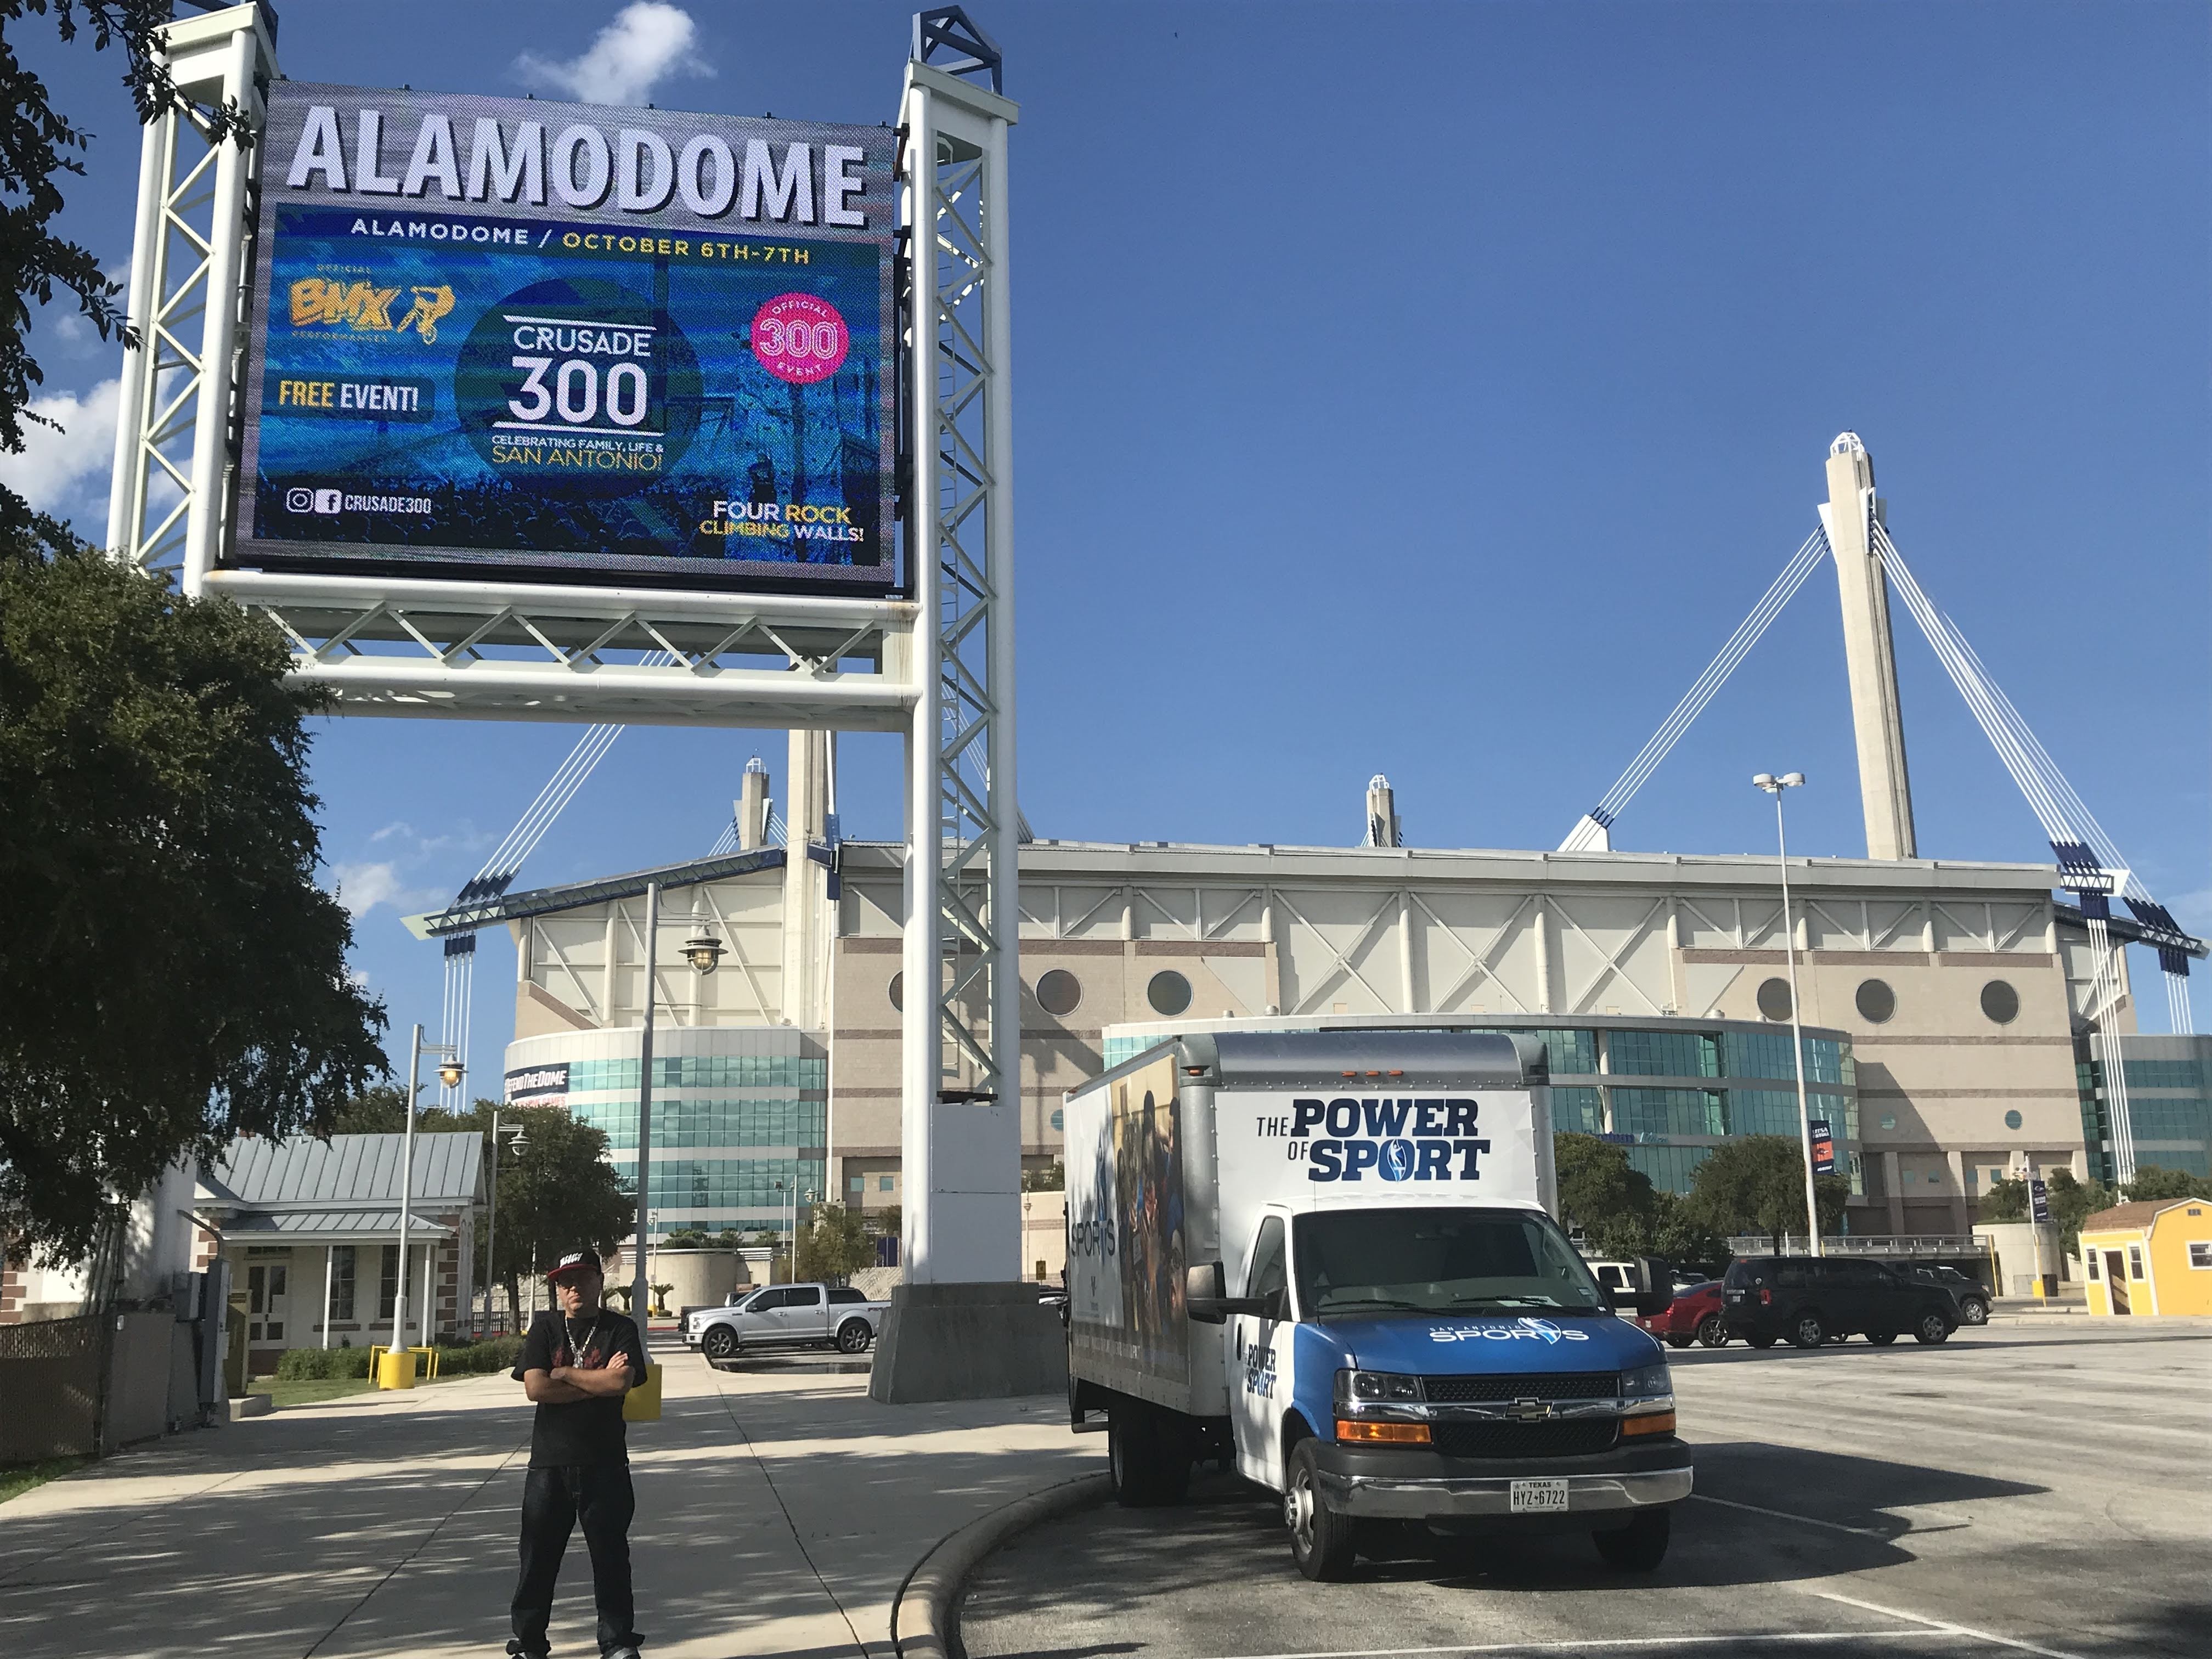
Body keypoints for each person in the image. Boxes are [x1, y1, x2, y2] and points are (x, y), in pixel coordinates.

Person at [509, 1249, 650, 1659]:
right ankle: (529, 1643)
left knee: (610, 1560)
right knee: (537, 1561)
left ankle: (617, 1642)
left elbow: (621, 1382)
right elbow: (536, 1388)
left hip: (605, 1463)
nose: (573, 1288)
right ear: (557, 1288)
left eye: (582, 1279)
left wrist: (566, 1373)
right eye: (564, 1282)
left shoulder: (619, 1329)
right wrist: (597, 1380)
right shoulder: (545, 1329)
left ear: (598, 1282)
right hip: (548, 1466)